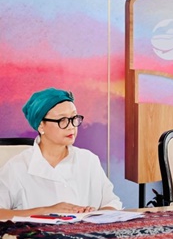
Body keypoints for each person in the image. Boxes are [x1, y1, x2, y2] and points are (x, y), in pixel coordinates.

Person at [0, 88, 122, 220]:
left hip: (86, 238)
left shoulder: (88, 160)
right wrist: (46, 211)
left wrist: (92, 216)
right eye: (62, 120)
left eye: (74, 118)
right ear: (41, 126)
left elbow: (112, 203)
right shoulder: (17, 167)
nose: (71, 126)